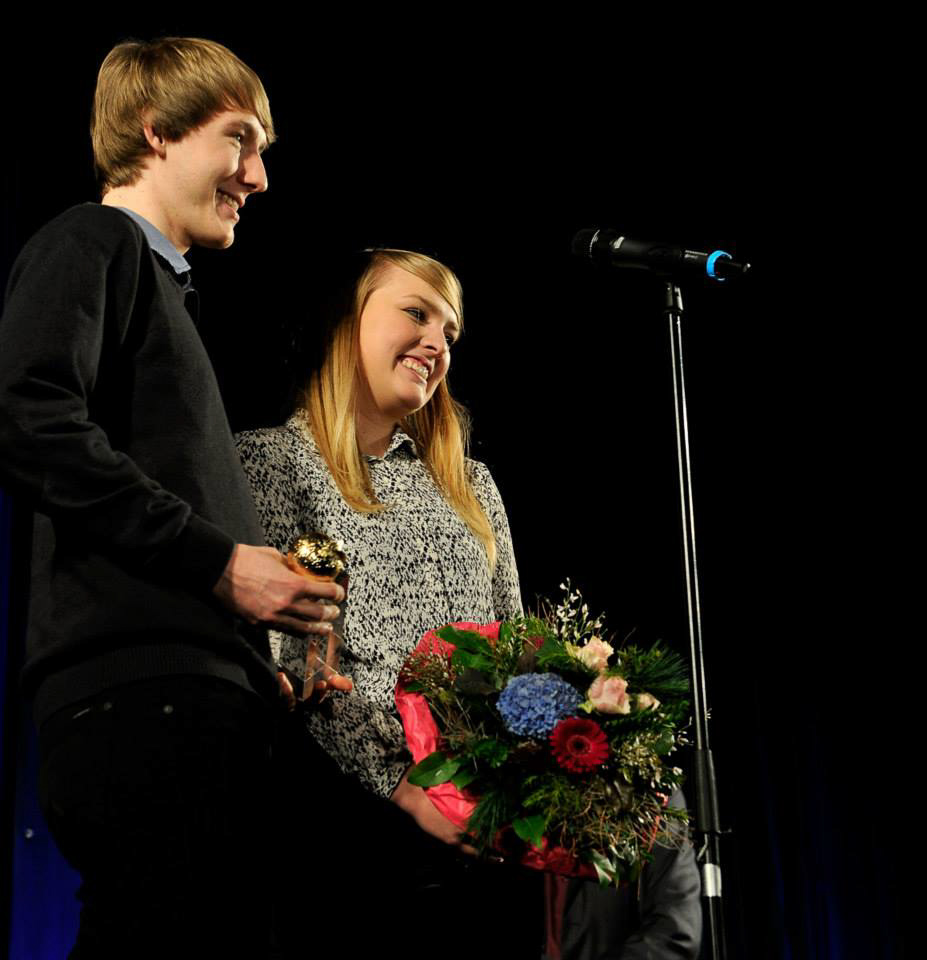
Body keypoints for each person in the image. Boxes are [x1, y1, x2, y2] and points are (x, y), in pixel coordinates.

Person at [0, 37, 343, 957]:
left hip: (184, 689)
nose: (257, 176)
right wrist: (222, 564)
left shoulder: (161, 284)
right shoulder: (92, 239)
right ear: (156, 133)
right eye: (240, 140)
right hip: (136, 696)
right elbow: (34, 424)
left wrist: (253, 662)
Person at [235, 249, 544, 956]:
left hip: (481, 838)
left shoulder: (471, 484)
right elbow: (286, 670)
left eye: (450, 331)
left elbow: (517, 648)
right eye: (415, 313)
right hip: (345, 832)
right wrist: (400, 783)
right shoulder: (266, 463)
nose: (437, 343)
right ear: (346, 325)